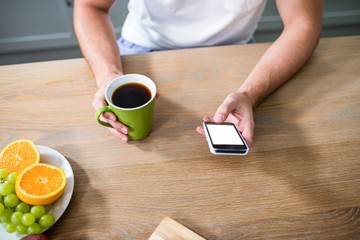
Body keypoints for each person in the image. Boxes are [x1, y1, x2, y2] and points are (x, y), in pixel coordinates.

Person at [74, 0, 323, 146]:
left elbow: (303, 23)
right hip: (139, 53)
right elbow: (90, 5)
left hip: (237, 57)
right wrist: (109, 75)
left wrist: (250, 93)